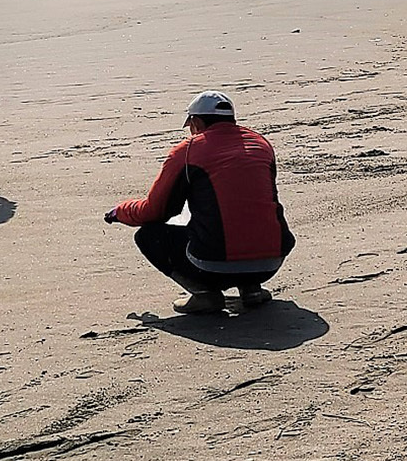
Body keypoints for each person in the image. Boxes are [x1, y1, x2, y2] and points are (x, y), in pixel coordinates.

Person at [103, 91, 296, 315]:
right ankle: (251, 289)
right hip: (271, 261)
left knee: (148, 235)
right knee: (241, 211)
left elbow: (155, 211)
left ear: (196, 121)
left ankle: (205, 294)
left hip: (214, 264)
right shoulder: (261, 145)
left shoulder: (187, 152)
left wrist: (121, 211)